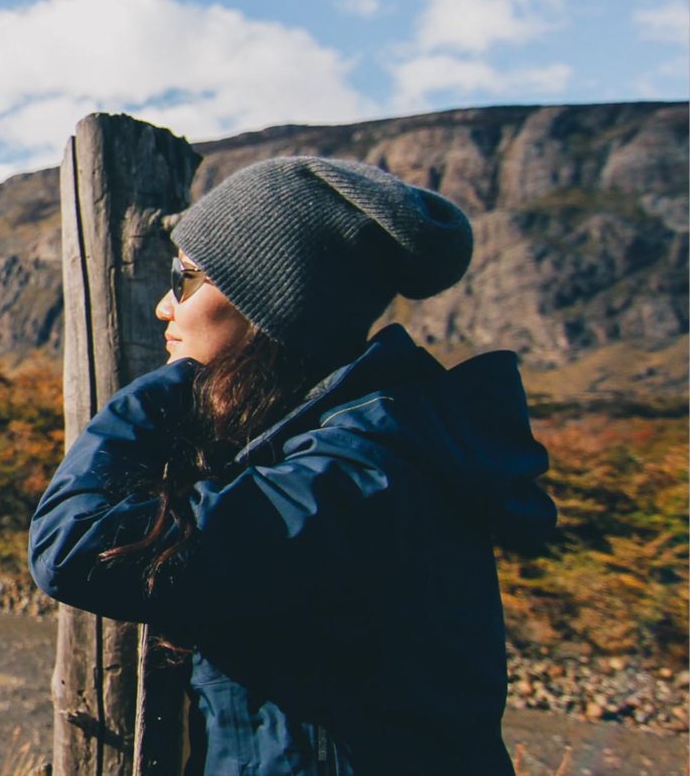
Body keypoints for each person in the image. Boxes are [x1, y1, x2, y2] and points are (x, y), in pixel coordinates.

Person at [27, 157, 557, 774]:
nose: (164, 308)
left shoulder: (363, 472)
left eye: (185, 277)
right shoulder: (357, 444)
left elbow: (71, 545)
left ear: (269, 305)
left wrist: (173, 384)